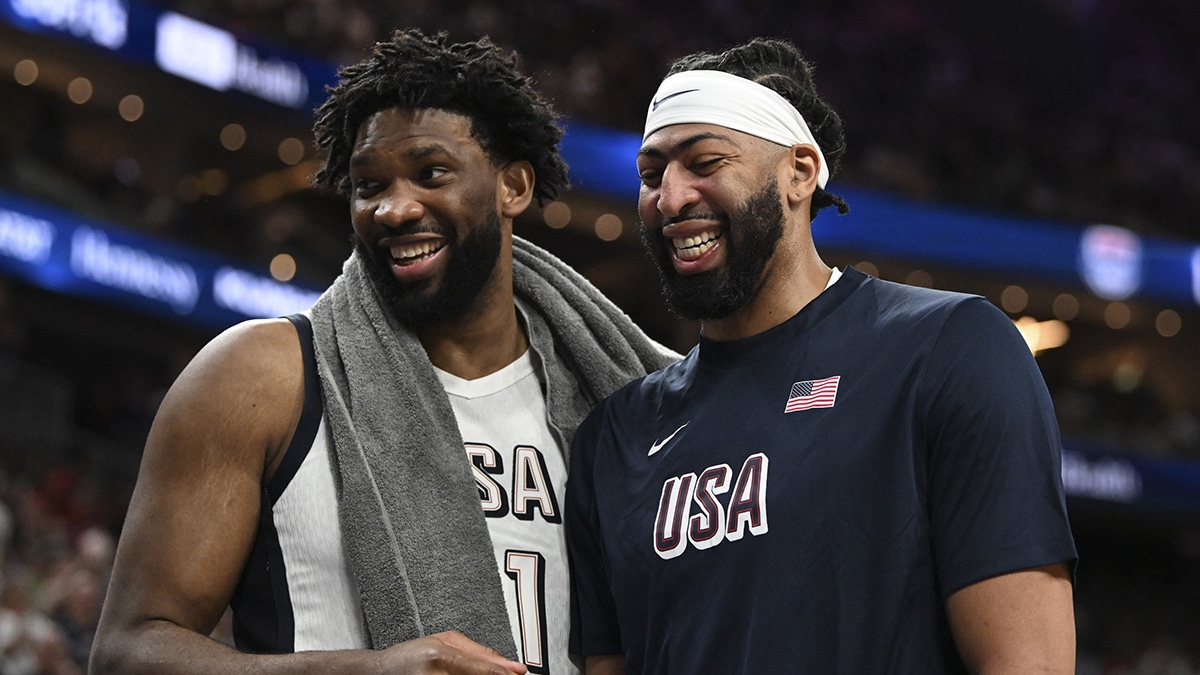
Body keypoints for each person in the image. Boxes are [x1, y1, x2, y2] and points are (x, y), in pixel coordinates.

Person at [89, 29, 676, 675]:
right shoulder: (262, 375)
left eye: (431, 173)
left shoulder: (619, 403)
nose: (395, 208)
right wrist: (362, 669)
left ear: (514, 185)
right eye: (369, 186)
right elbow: (128, 652)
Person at [565, 37, 1078, 674]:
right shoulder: (612, 438)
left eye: (704, 162)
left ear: (800, 173)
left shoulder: (949, 348)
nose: (669, 198)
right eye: (651, 174)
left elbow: (1028, 663)